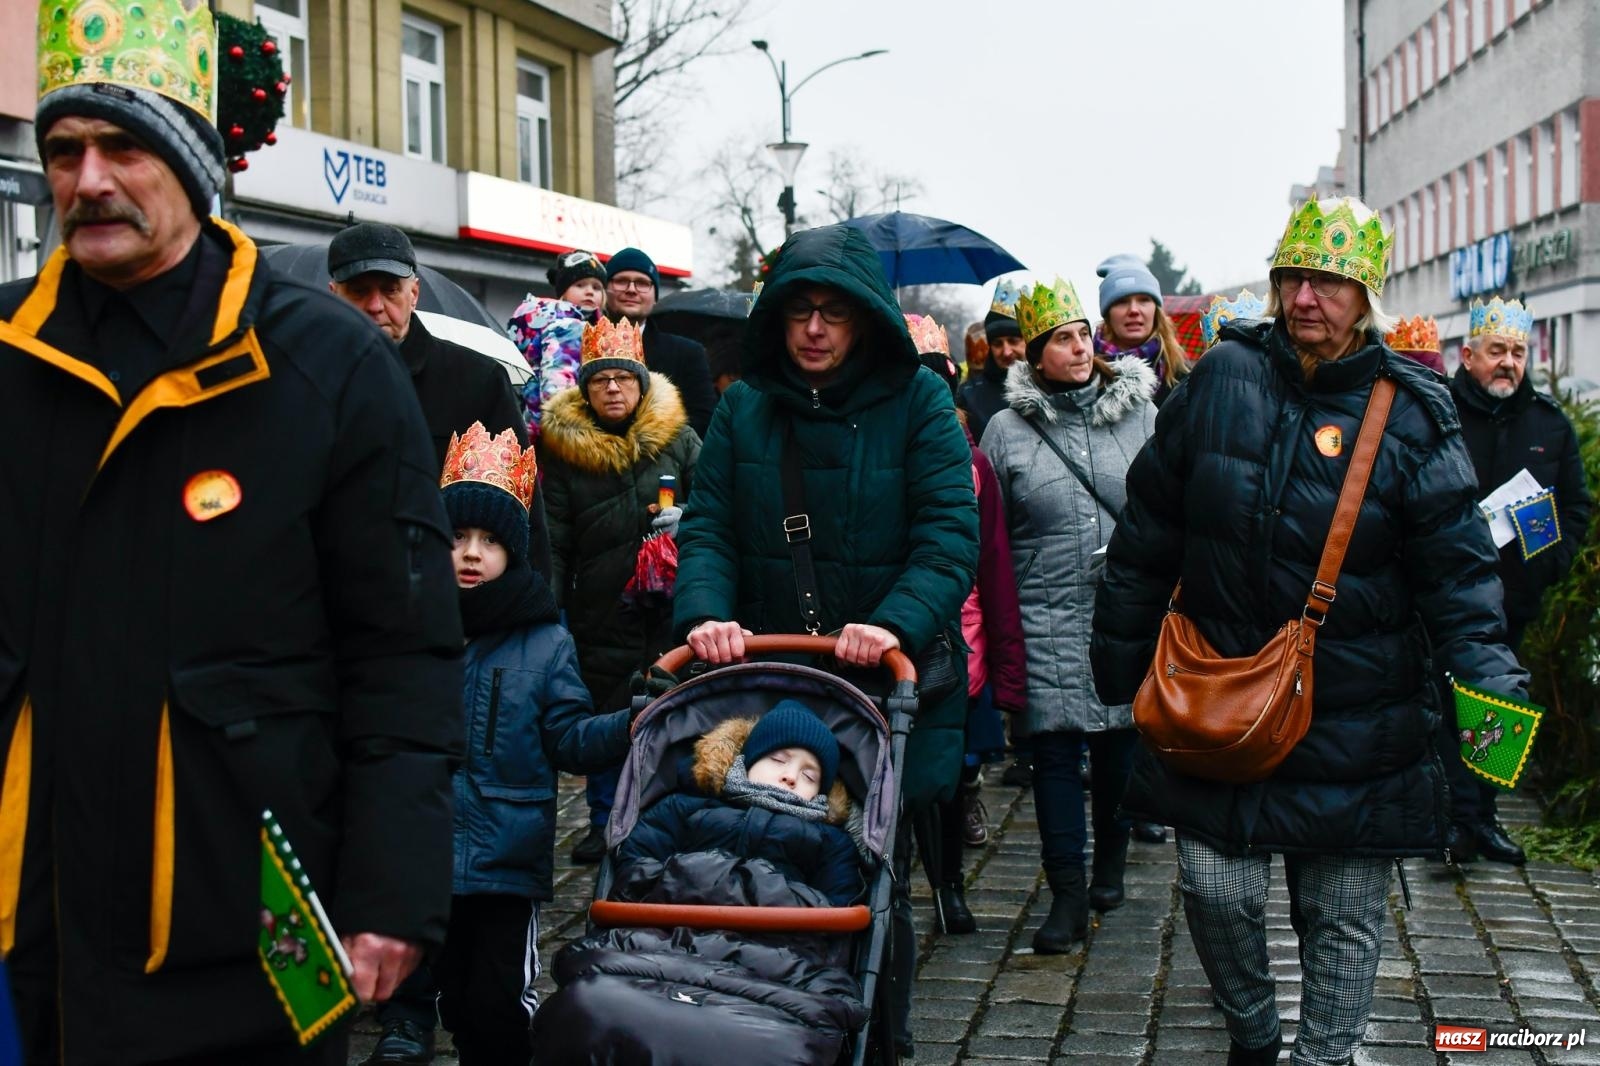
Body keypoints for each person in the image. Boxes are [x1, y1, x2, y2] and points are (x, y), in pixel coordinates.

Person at [4, 3, 464, 1060]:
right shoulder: (5, 350)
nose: (89, 181)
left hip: (254, 911)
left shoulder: (330, 363)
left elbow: (401, 648)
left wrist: (391, 890)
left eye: (125, 147)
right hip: (27, 905)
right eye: (64, 151)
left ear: (195, 165)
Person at [1092, 196, 1530, 1066]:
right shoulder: (1220, 379)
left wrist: (1492, 698)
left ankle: (1324, 1055)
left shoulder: (1412, 413)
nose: (1304, 299)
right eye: (1292, 277)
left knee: (1343, 914)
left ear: (1366, 295)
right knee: (1212, 888)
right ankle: (1254, 1032)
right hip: (1221, 696)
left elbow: (1460, 574)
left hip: (1357, 716)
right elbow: (1150, 528)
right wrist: (1119, 656)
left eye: (1329, 282)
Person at [672, 223, 978, 1055]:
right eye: (799, 310)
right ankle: (773, 1027)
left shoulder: (919, 405)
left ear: (865, 321)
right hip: (774, 678)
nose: (813, 329)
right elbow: (709, 531)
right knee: (763, 863)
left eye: (833, 313)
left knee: (877, 878)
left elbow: (950, 533)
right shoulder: (745, 406)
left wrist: (893, 624)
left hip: (886, 682)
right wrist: (705, 613)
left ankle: (883, 1039)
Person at [430, 423, 631, 1066]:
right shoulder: (410, 629)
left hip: (503, 862)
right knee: (451, 1000)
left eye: (488, 541)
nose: (470, 552)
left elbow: (569, 737)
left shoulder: (545, 644)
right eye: (457, 537)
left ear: (513, 553)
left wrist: (633, 721)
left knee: (497, 1004)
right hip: (423, 853)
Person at [979, 278, 1157, 953]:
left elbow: (1168, 505)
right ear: (1035, 353)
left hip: (1122, 612)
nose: (1079, 347)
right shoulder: (1007, 429)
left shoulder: (1140, 414)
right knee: (1053, 756)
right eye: (1062, 338)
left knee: (1117, 750)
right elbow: (989, 533)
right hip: (1042, 614)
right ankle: (1067, 896)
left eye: (1083, 333)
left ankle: (1110, 863)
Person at [539, 316, 701, 863]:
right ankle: (604, 819)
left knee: (674, 709)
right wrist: (552, 607)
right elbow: (554, 538)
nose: (613, 387)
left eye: (623, 378)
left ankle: (668, 815)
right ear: (585, 389)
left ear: (641, 383)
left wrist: (690, 518)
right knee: (606, 711)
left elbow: (717, 508)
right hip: (599, 607)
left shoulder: (679, 440)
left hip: (670, 605)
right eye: (601, 379)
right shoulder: (563, 451)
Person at [1442, 297, 1591, 865]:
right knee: (1452, 699)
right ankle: (1454, 819)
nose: (1508, 362)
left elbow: (1576, 504)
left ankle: (1483, 816)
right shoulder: (1441, 411)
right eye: (1497, 350)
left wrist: (1553, 561)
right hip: (1450, 588)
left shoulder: (1548, 423)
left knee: (1500, 703)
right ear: (1470, 354)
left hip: (1515, 594)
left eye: (1518, 352)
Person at [326, 221, 554, 583]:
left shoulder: (476, 381)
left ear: (413, 293)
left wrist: (531, 612)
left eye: (390, 291)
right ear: (333, 293)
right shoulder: (306, 380)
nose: (375, 306)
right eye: (358, 291)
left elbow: (522, 513)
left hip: (447, 606)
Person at [907, 315, 1026, 934]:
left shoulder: (972, 461)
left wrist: (1004, 662)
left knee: (949, 768)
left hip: (963, 631)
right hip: (894, 624)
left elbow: (993, 559)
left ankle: (949, 883)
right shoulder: (878, 451)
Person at [617, 700, 864, 906]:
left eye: (809, 776)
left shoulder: (830, 841)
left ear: (820, 792)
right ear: (746, 763)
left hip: (775, 943)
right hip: (675, 923)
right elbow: (635, 865)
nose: (790, 776)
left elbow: (837, 907)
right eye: (778, 760)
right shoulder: (684, 807)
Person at [605, 246, 719, 437]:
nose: (631, 290)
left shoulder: (687, 353)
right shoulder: (576, 344)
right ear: (605, 290)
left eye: (642, 283)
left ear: (655, 297)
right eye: (621, 281)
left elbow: (703, 419)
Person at [505, 249, 607, 439]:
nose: (589, 291)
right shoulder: (569, 327)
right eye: (580, 284)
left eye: (597, 287)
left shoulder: (543, 324)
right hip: (560, 431)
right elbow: (559, 387)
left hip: (529, 422)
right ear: (563, 291)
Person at [1094, 253, 1191, 408]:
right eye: (1121, 301)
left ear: (1156, 309)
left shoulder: (1185, 379)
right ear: (1107, 314)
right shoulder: (1084, 373)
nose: (1133, 310)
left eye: (1144, 300)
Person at [958, 277, 1026, 441]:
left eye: (1013, 341)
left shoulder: (1048, 388)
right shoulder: (967, 395)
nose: (1006, 351)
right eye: (997, 344)